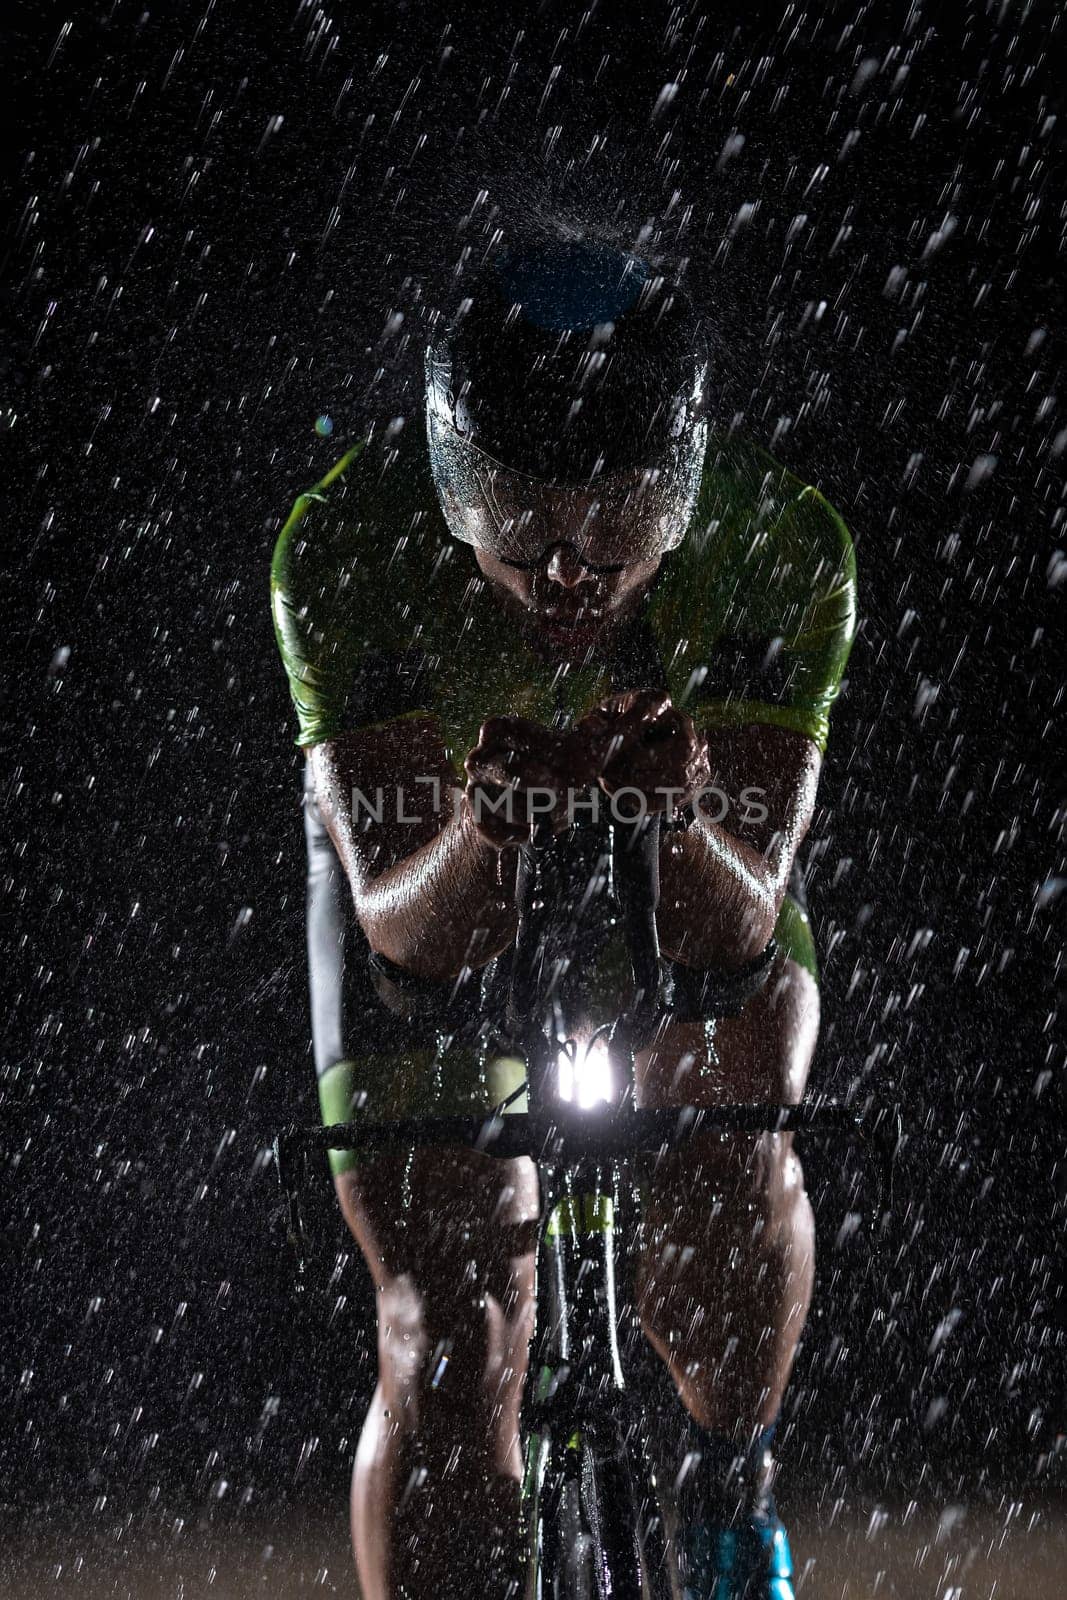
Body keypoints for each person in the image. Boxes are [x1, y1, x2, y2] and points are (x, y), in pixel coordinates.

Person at [270, 238, 856, 1599]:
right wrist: (485, 829)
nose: (572, 572)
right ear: (448, 481)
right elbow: (409, 937)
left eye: (626, 519)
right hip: (446, 869)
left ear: (692, 490)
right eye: (516, 516)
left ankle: (729, 1481)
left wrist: (682, 815)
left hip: (673, 860)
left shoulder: (780, 550)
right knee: (455, 1322)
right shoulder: (347, 548)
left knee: (740, 1112)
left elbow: (738, 926)